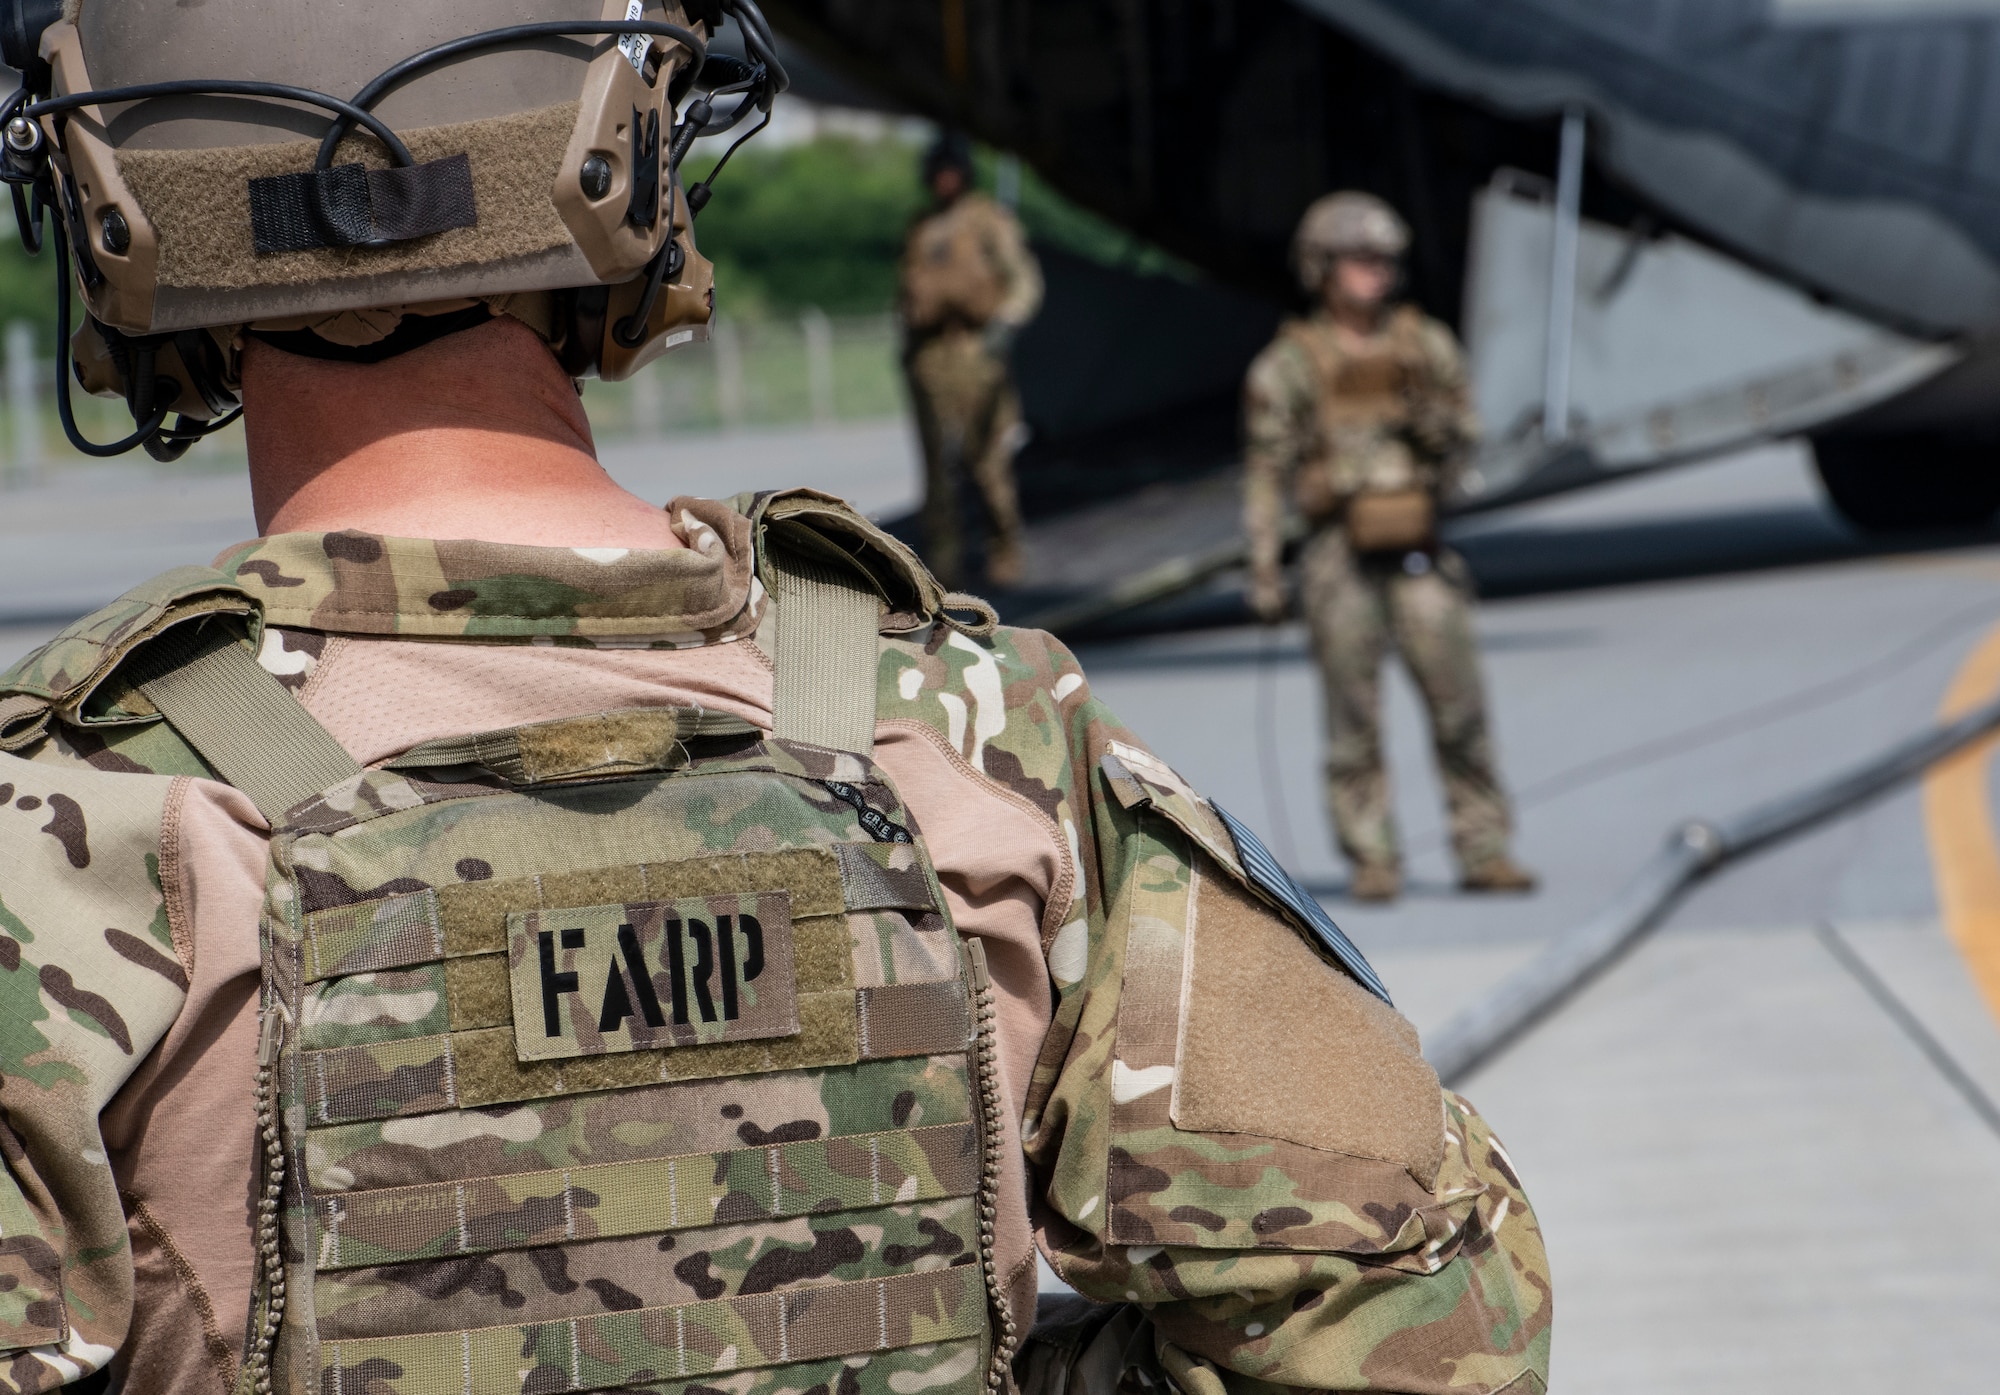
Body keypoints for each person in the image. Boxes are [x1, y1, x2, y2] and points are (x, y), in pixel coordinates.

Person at [0, 9, 1549, 1393]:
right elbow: (1427, 1309)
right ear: (625, 156)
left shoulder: (63, 815)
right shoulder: (967, 725)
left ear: (114, 213)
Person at [1243, 191, 1538, 905]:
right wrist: (1263, 568)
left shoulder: (1423, 345)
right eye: (1359, 259)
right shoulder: (1289, 364)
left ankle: (1484, 846)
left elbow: (1467, 431)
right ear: (1322, 268)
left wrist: (1439, 429)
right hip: (1338, 556)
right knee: (1353, 722)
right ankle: (1372, 854)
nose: (1376, 272)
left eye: (1384, 260)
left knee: (1459, 703)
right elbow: (1266, 469)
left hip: (1416, 548)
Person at [899, 131, 1043, 590]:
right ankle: (945, 568)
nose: (944, 180)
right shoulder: (921, 226)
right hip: (930, 355)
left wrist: (1004, 325)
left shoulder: (986, 220)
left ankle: (1006, 553)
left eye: (951, 170)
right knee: (938, 468)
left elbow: (1024, 279)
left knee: (988, 462)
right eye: (937, 171)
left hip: (976, 352)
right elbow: (907, 294)